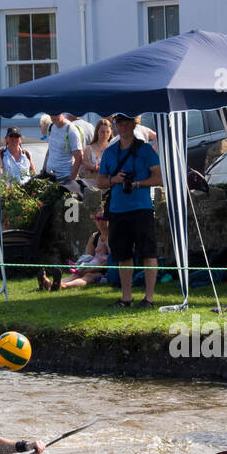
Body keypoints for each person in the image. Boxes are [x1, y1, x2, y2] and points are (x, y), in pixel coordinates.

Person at [98, 112, 163, 307]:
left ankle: (149, 299)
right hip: (118, 210)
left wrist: (138, 183)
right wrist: (114, 179)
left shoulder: (145, 150)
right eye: (119, 123)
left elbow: (159, 178)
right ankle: (126, 298)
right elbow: (100, 181)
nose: (122, 126)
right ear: (115, 125)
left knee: (148, 253)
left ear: (134, 125)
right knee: (122, 255)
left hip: (142, 208)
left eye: (126, 123)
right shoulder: (110, 152)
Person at [38, 213, 110, 291]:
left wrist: (90, 270)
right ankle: (51, 284)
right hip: (93, 265)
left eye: (103, 219)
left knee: (88, 276)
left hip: (105, 271)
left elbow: (111, 261)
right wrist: (81, 268)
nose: (100, 221)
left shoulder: (112, 237)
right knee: (76, 275)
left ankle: (62, 286)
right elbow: (88, 257)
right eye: (97, 219)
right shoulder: (94, 237)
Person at [42, 113, 84, 182]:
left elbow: (79, 158)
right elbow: (50, 149)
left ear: (63, 114)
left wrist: (71, 180)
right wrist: (43, 170)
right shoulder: (51, 126)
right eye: (51, 114)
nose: (53, 116)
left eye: (56, 114)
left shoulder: (71, 131)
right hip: (49, 176)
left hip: (65, 178)